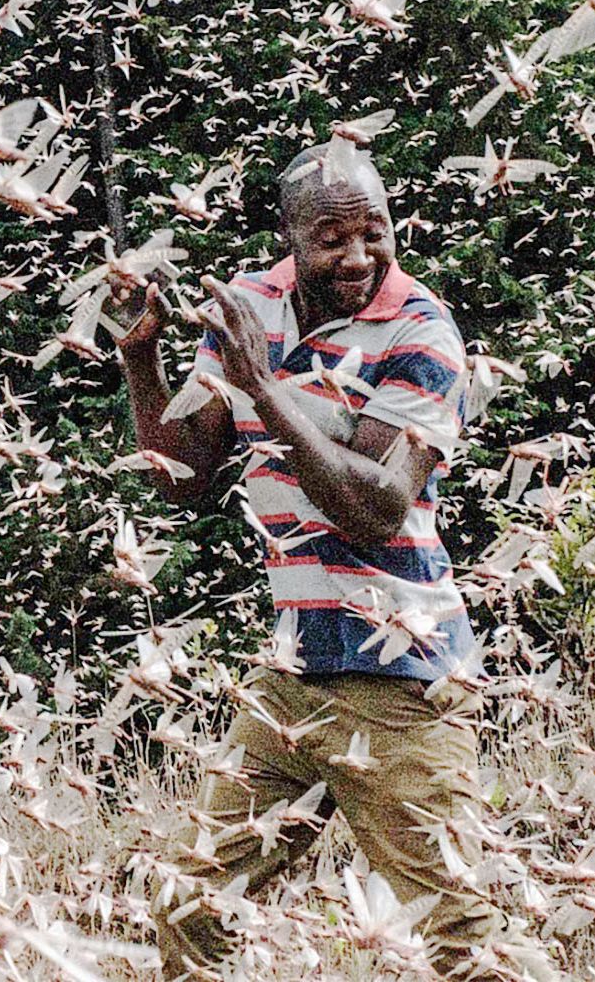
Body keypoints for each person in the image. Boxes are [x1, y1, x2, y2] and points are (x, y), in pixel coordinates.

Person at [114, 142, 508, 979]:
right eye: (332, 238)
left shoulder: (423, 332)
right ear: (290, 237)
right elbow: (184, 480)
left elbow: (374, 508)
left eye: (377, 231)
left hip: (402, 679)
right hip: (295, 673)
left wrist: (266, 389)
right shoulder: (251, 308)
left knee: (466, 943)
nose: (359, 255)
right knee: (190, 910)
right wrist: (140, 356)